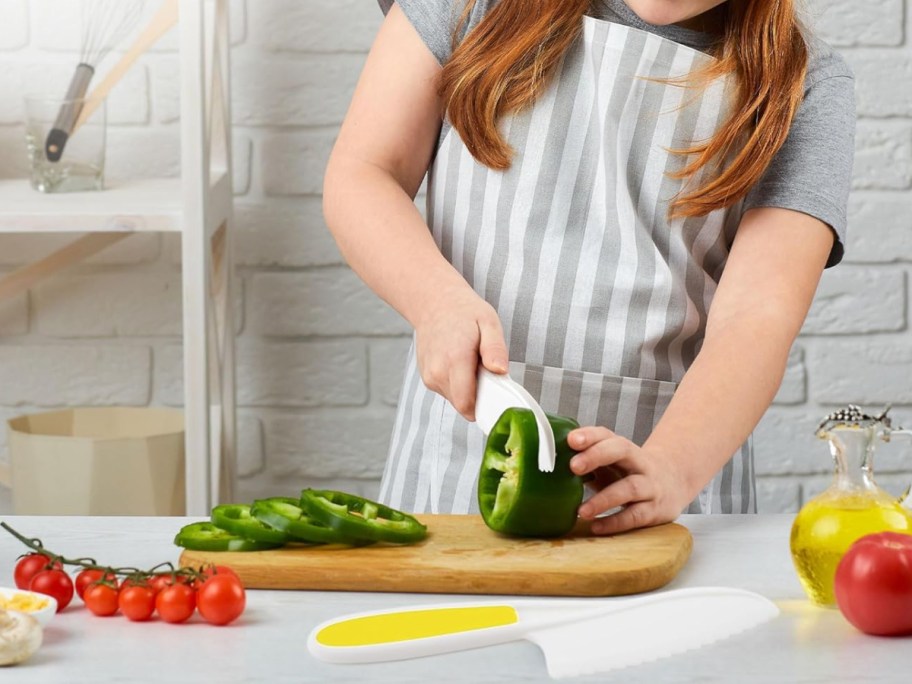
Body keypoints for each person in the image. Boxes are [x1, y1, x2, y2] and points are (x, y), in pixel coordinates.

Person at [322, 0, 855, 534]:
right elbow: (366, 173)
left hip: (669, 494)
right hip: (453, 467)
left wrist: (671, 467)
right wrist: (435, 302)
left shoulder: (808, 85)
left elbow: (758, 316)